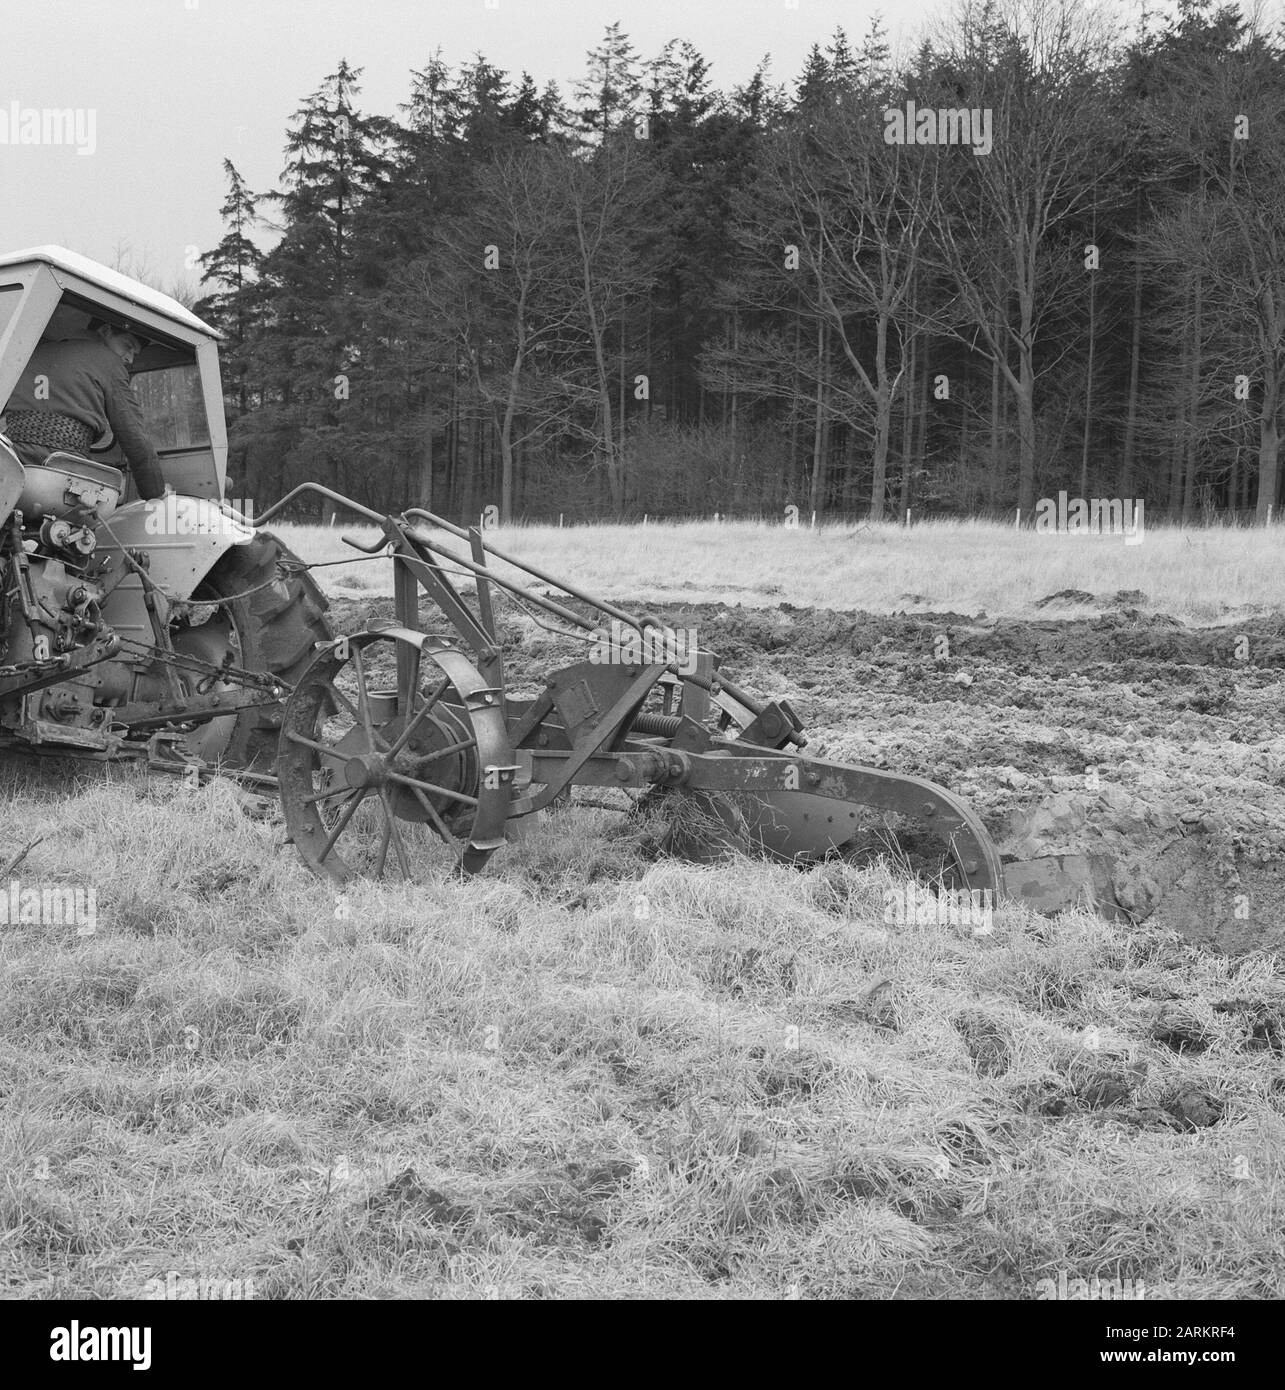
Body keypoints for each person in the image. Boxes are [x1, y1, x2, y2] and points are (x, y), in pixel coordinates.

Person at [1, 322, 166, 498]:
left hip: (10, 465)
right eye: (128, 346)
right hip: (62, 471)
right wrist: (155, 494)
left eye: (134, 353)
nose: (130, 358)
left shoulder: (32, 353)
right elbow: (135, 436)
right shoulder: (109, 362)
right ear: (105, 330)